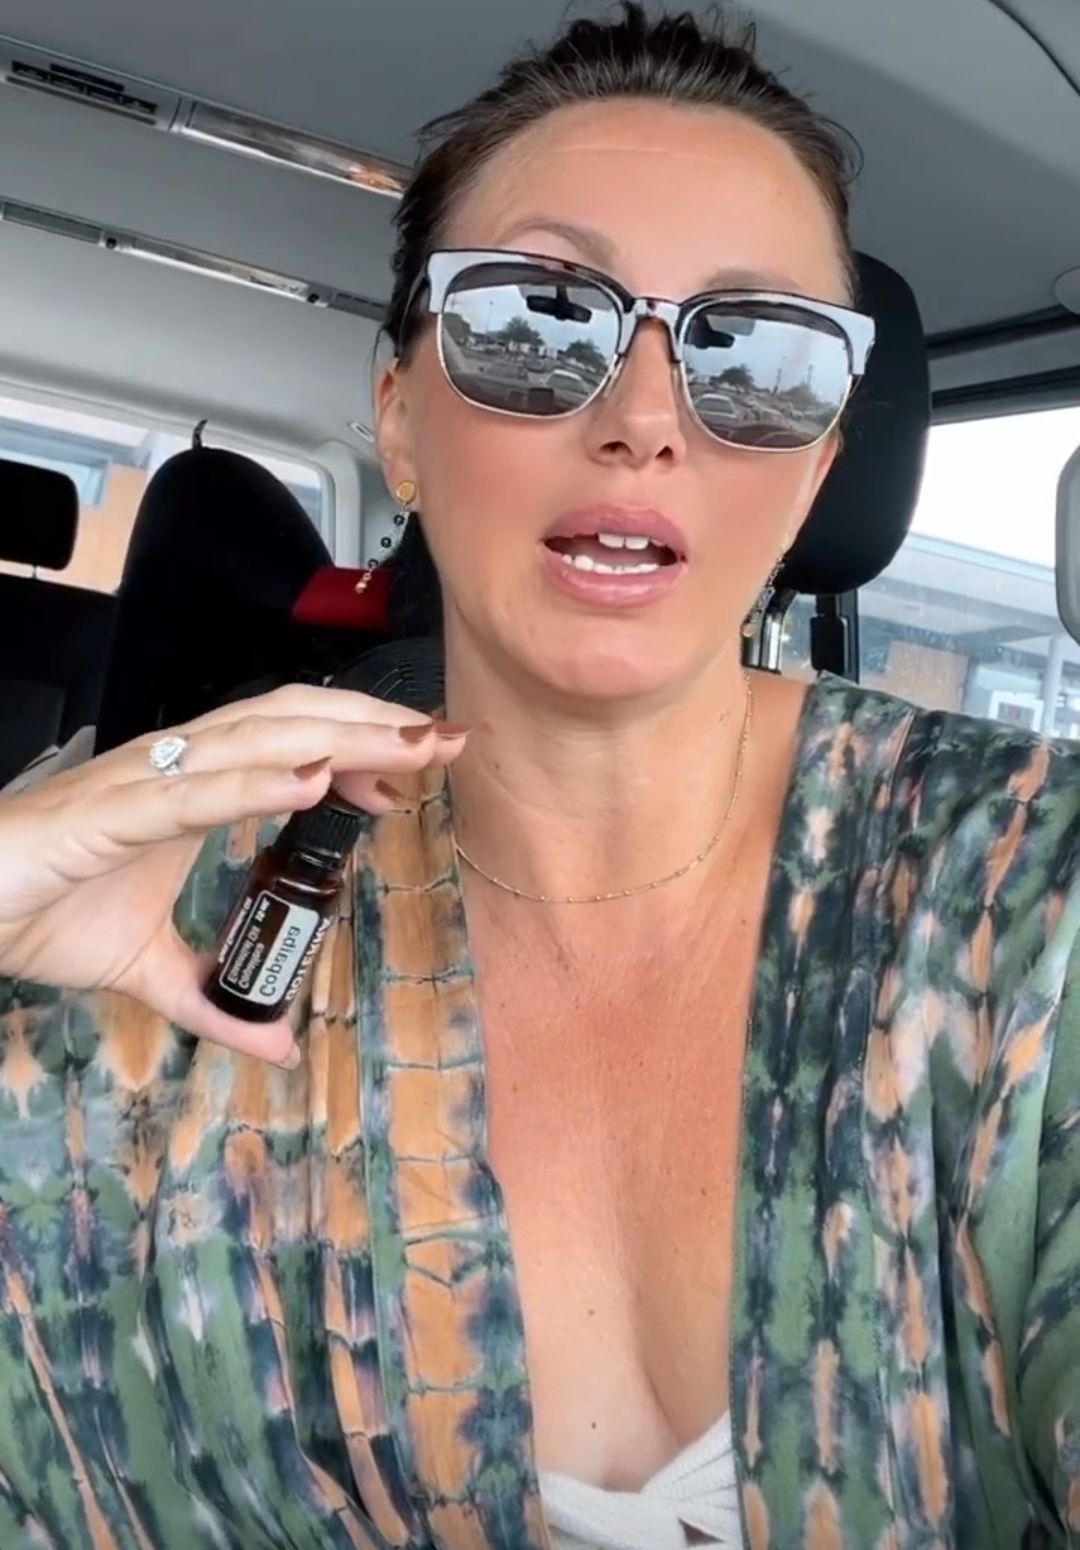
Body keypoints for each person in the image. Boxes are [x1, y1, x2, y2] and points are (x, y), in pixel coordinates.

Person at [0, 6, 1076, 1548]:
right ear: (401, 421)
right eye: (536, 323)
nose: (643, 419)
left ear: (818, 469)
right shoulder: (156, 925)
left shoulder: (1033, 900)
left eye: (760, 357)